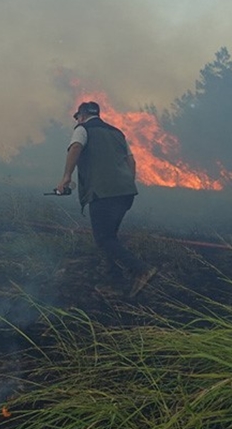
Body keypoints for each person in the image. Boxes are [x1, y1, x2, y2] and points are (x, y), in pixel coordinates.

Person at [56, 101, 157, 297]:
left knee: (103, 239)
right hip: (126, 193)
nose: (77, 120)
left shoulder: (82, 129)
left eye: (77, 117)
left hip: (103, 194)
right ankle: (116, 282)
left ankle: (141, 269)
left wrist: (66, 177)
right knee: (110, 237)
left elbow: (75, 148)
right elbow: (131, 161)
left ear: (82, 115)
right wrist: (126, 182)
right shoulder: (117, 133)